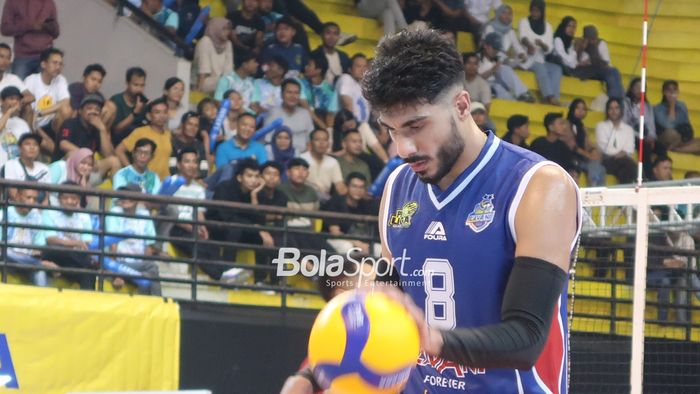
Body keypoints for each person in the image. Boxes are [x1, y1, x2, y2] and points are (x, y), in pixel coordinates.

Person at [362, 29, 579, 393]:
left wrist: (435, 341)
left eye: (416, 126)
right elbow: (389, 306)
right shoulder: (398, 187)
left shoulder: (538, 185)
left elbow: (526, 339)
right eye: (391, 130)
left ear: (462, 106)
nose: (403, 147)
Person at [207, 158, 277, 284]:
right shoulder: (225, 188)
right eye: (249, 176)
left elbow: (261, 221)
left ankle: (262, 281)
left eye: (256, 176)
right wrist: (257, 228)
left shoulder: (258, 193)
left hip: (244, 229)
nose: (253, 180)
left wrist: (254, 196)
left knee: (264, 238)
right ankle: (228, 276)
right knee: (235, 230)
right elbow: (228, 218)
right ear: (239, 177)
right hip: (217, 228)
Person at [166, 147, 223, 280]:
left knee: (212, 246)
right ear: (179, 165)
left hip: (193, 226)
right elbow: (170, 213)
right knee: (196, 246)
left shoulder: (198, 189)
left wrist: (202, 227)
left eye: (194, 162)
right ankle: (218, 277)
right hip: (174, 227)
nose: (191, 165)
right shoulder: (170, 183)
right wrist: (191, 227)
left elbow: (200, 213)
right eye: (187, 161)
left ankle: (224, 274)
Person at [105, 183, 161, 296]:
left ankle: (147, 304)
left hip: (137, 265)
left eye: (130, 196)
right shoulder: (115, 213)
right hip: (118, 264)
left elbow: (148, 247)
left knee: (147, 274)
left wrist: (143, 264)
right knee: (152, 268)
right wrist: (116, 273)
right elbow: (112, 245)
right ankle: (158, 303)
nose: (125, 199)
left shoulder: (144, 215)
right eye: (123, 195)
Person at [41, 181, 96, 290]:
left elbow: (87, 242)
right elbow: (51, 240)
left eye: (73, 198)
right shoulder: (49, 212)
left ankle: (88, 302)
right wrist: (75, 243)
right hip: (55, 254)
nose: (69, 201)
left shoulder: (84, 216)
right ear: (59, 199)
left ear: (78, 200)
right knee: (55, 249)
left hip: (74, 260)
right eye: (65, 198)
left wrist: (78, 246)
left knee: (88, 273)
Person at [552, 18, 623, 99]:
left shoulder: (600, 43)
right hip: (581, 71)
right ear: (585, 38)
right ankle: (616, 98)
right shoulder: (576, 43)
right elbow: (572, 63)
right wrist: (580, 50)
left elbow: (607, 64)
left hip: (596, 70)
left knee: (613, 72)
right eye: (589, 38)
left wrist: (592, 58)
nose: (592, 41)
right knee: (612, 72)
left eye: (593, 38)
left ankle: (617, 98)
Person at [1, 187, 57, 287]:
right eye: (28, 197)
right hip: (7, 260)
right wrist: (38, 263)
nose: (31, 202)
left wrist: (35, 256)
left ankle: (44, 301)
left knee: (40, 273)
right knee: (6, 253)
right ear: (17, 196)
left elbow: (38, 248)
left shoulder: (37, 218)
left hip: (28, 262)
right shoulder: (4, 214)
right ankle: (40, 264)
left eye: (34, 199)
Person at [55, 94, 121, 174]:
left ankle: (117, 187)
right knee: (72, 154)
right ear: (80, 111)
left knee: (114, 161)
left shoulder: (97, 129)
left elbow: (109, 154)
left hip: (89, 168)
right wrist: (86, 157)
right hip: (64, 169)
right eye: (89, 108)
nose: (94, 112)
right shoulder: (70, 123)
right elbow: (63, 144)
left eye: (97, 110)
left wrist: (103, 130)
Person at [23, 47, 70, 152]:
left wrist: (40, 113)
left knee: (66, 110)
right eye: (54, 63)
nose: (58, 67)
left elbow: (65, 102)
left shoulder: (60, 79)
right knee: (52, 149)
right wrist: (36, 126)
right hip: (33, 124)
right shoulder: (31, 80)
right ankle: (32, 140)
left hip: (51, 124)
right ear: (43, 64)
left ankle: (62, 141)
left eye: (60, 64)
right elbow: (27, 109)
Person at [516, 0, 562, 105]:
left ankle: (555, 96)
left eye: (537, 11)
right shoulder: (524, 22)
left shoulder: (548, 27)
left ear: (542, 12)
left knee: (556, 69)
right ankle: (548, 97)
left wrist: (542, 44)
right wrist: (529, 45)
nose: (535, 14)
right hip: (527, 59)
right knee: (540, 67)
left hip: (540, 59)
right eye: (533, 11)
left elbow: (549, 49)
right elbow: (523, 37)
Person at [115, 97, 173, 180]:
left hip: (164, 182)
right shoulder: (140, 132)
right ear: (149, 116)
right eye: (157, 112)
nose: (162, 116)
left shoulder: (169, 135)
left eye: (165, 112)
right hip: (145, 181)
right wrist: (132, 171)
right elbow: (119, 150)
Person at [1, 0, 59, 79]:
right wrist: (29, 26)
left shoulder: (49, 3)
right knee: (17, 89)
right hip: (23, 56)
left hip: (46, 56)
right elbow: (5, 29)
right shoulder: (13, 2)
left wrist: (46, 26)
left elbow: (56, 32)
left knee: (45, 90)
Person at [322, 172, 378, 255]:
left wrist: (366, 244)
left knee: (378, 248)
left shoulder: (368, 204)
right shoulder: (336, 202)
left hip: (362, 241)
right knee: (346, 246)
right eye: (354, 186)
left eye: (361, 187)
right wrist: (356, 243)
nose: (358, 190)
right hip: (336, 239)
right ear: (347, 187)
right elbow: (335, 232)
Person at [478, 32, 534, 102]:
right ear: (485, 45)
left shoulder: (497, 57)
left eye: (497, 48)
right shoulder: (476, 58)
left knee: (504, 68)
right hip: (486, 86)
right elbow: (475, 79)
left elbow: (509, 69)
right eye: (494, 48)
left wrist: (518, 59)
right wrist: (493, 70)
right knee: (497, 87)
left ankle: (523, 94)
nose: (496, 51)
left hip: (498, 83)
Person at [264, 78, 314, 153]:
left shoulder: (305, 114)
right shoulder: (273, 113)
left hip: (302, 156)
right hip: (279, 155)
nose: (293, 96)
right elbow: (268, 140)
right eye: (289, 92)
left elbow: (311, 140)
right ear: (282, 95)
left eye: (296, 93)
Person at [102, 67, 149, 147]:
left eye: (142, 85)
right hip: (116, 143)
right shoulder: (116, 100)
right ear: (127, 83)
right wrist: (135, 113)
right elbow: (116, 130)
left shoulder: (143, 103)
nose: (139, 89)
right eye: (135, 85)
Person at [595, 97, 636, 184]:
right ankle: (643, 180)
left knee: (624, 172)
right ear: (607, 110)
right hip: (607, 160)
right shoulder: (601, 126)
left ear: (621, 110)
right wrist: (614, 129)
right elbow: (605, 149)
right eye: (611, 108)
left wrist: (623, 153)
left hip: (623, 162)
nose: (614, 111)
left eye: (616, 108)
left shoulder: (628, 129)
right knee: (628, 162)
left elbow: (630, 148)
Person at [653, 80, 700, 154]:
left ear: (678, 91)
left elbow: (687, 125)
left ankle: (677, 150)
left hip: (682, 139)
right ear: (664, 92)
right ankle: (688, 149)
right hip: (667, 139)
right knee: (671, 133)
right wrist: (672, 105)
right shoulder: (657, 109)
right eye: (669, 90)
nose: (672, 92)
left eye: (674, 89)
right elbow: (669, 125)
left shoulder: (682, 105)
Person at [299, 128, 347, 202]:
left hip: (325, 199)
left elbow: (339, 185)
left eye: (325, 140)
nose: (321, 143)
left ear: (328, 144)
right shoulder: (301, 158)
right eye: (317, 140)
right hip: (304, 196)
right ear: (311, 143)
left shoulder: (333, 162)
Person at [567, 98, 606, 186]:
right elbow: (573, 147)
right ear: (572, 109)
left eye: (583, 109)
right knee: (595, 164)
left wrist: (594, 151)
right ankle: (593, 187)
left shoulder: (582, 127)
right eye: (578, 108)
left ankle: (597, 189)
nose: (581, 111)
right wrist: (588, 155)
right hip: (572, 158)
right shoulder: (566, 124)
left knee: (601, 168)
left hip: (582, 158)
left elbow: (588, 142)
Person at [2, 133, 50, 202]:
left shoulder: (45, 168)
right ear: (19, 148)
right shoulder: (11, 165)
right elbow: (13, 195)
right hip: (16, 209)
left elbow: (46, 197)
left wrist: (40, 212)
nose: (32, 147)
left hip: (40, 210)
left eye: (35, 144)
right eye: (27, 144)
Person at [193, 17, 234, 94]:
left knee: (234, 82)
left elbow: (228, 71)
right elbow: (203, 69)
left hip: (219, 81)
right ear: (215, 28)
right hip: (202, 81)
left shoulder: (228, 44)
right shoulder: (205, 41)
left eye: (229, 29)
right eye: (224, 29)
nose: (227, 32)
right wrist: (199, 91)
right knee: (223, 82)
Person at [300, 54, 339, 129]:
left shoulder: (331, 91)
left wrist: (328, 132)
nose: (306, 67)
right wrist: (324, 129)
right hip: (304, 123)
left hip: (322, 127)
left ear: (318, 70)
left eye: (309, 65)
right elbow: (306, 109)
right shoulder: (300, 84)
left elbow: (330, 116)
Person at [0, 86, 31, 167]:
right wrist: (9, 112)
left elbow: (28, 147)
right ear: (1, 101)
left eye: (17, 99)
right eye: (11, 98)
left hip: (17, 169)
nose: (15, 102)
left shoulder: (22, 123)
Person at [0, 43, 35, 112]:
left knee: (28, 107)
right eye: (1, 57)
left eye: (8, 58)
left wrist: (16, 103)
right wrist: (5, 104)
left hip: (11, 116)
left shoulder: (13, 78)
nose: (5, 61)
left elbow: (31, 97)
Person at [171, 111, 208, 177]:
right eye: (190, 124)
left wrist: (196, 177)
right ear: (182, 125)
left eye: (196, 125)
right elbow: (172, 169)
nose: (193, 128)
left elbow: (204, 169)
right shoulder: (173, 142)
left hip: (196, 180)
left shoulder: (199, 145)